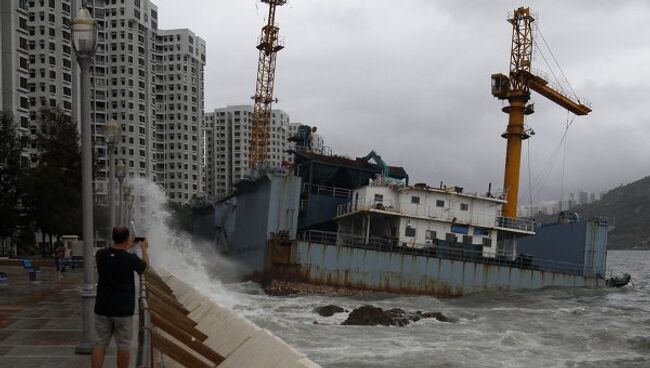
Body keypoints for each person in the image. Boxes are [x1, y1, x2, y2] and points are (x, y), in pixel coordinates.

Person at [91, 225, 149, 368]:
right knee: (123, 346)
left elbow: (116, 253)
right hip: (123, 310)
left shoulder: (101, 254)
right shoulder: (130, 259)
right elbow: (145, 268)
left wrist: (127, 244)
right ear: (127, 239)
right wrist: (144, 248)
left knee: (99, 345)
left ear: (113, 237)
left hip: (103, 307)